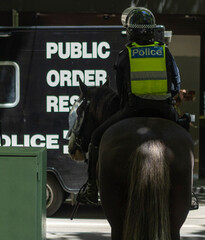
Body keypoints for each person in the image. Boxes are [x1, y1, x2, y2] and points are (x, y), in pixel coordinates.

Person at [77, 7, 184, 205]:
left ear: (131, 32)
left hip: (133, 109)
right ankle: (189, 193)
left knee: (96, 137)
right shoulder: (164, 51)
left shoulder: (126, 54)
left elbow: (121, 91)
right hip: (165, 111)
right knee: (183, 138)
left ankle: (91, 188)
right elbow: (176, 85)